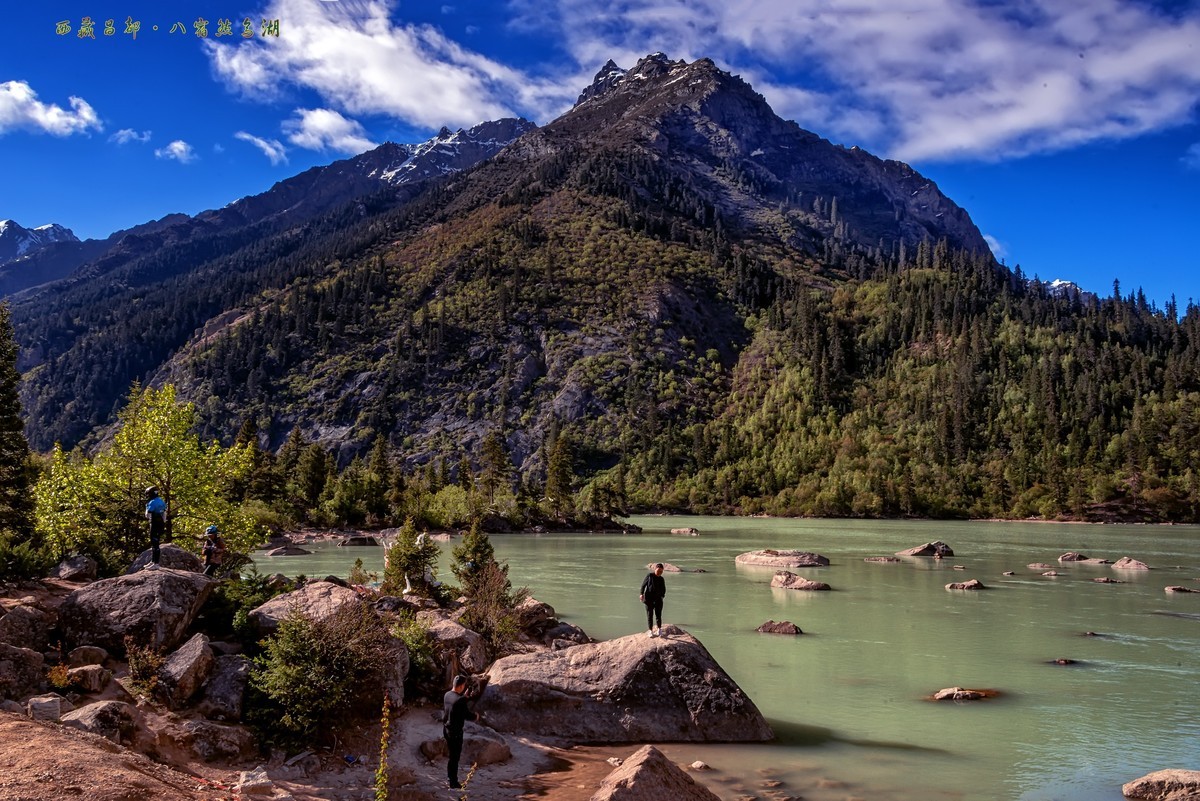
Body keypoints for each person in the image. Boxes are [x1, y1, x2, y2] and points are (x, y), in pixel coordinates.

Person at [442, 674, 478, 789]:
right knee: (454, 757)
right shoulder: (460, 701)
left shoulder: (447, 695)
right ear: (462, 686)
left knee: (452, 756)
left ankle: (450, 778)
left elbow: (456, 704)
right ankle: (453, 782)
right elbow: (468, 715)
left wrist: (465, 697)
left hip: (446, 730)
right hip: (455, 733)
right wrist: (476, 716)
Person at [639, 562, 666, 637]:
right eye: (658, 570)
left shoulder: (661, 579)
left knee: (658, 615)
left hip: (658, 600)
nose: (659, 572)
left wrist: (662, 596)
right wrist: (641, 594)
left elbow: (664, 589)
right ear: (655, 569)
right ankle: (650, 631)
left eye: (661, 571)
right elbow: (643, 585)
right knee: (649, 615)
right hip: (648, 599)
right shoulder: (650, 576)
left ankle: (659, 630)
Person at [144, 486, 167, 569]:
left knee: (154, 543)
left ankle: (155, 563)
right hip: (160, 523)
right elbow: (164, 513)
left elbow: (147, 514)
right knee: (156, 542)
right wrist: (163, 523)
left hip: (154, 523)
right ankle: (153, 561)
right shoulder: (161, 501)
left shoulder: (152, 502)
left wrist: (146, 509)